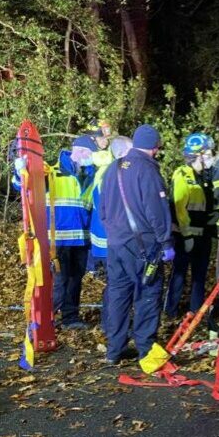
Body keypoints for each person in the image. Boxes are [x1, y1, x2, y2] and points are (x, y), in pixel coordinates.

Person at [100, 124, 175, 365]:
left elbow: (103, 210)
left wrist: (114, 233)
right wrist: (166, 242)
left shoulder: (113, 169)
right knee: (147, 294)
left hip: (116, 245)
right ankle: (146, 349)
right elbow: (157, 211)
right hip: (143, 246)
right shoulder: (147, 171)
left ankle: (114, 349)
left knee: (118, 294)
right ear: (155, 147)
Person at [45, 135, 96, 330]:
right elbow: (23, 186)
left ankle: (70, 317)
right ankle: (46, 319)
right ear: (80, 150)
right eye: (90, 154)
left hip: (81, 239)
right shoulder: (52, 173)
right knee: (59, 282)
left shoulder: (89, 175)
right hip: (58, 240)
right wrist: (20, 170)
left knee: (76, 279)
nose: (92, 158)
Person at [164, 133, 216, 319]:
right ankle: (170, 312)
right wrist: (186, 236)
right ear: (198, 154)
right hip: (184, 236)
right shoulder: (182, 175)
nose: (211, 156)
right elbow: (179, 207)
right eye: (208, 153)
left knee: (199, 276)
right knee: (179, 274)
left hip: (203, 236)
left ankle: (196, 313)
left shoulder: (207, 176)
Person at [89, 136, 132, 334]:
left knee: (114, 285)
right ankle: (111, 325)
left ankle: (111, 324)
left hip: (106, 237)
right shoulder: (114, 174)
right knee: (116, 285)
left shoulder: (105, 173)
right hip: (112, 239)